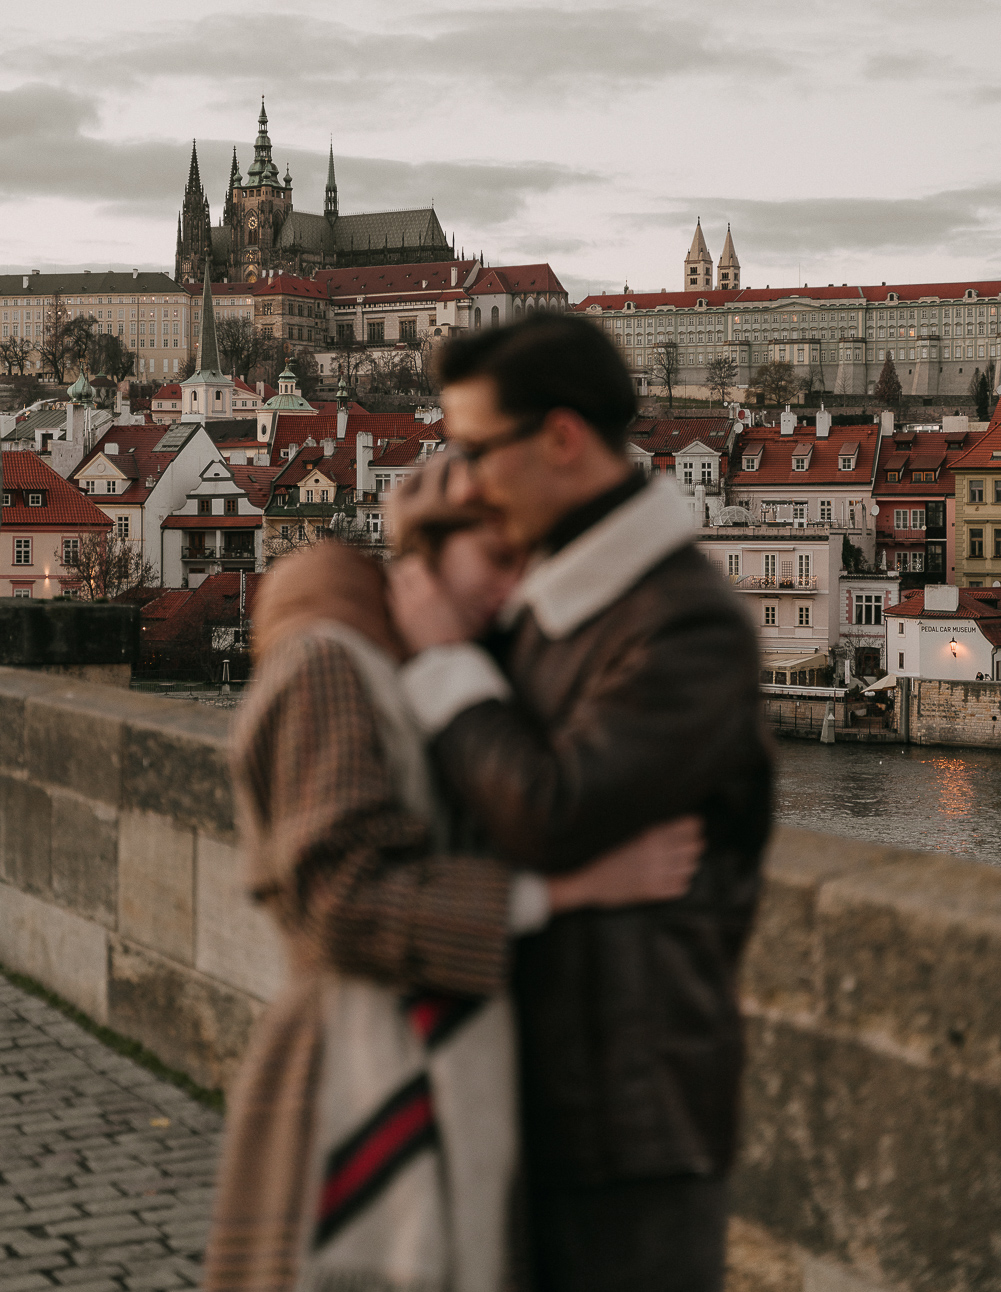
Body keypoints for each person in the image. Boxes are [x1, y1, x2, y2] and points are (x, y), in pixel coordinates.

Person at [203, 536, 705, 1292]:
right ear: (418, 561)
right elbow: (340, 898)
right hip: (356, 1074)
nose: (513, 585)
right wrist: (574, 889)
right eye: (496, 559)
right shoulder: (327, 662)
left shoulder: (412, 677)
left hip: (432, 1074)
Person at [388, 314, 773, 1292]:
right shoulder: (567, 595)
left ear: (561, 437)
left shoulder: (686, 625)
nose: (465, 479)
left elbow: (548, 812)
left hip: (627, 1114)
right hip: (524, 1082)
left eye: (475, 451)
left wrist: (440, 656)